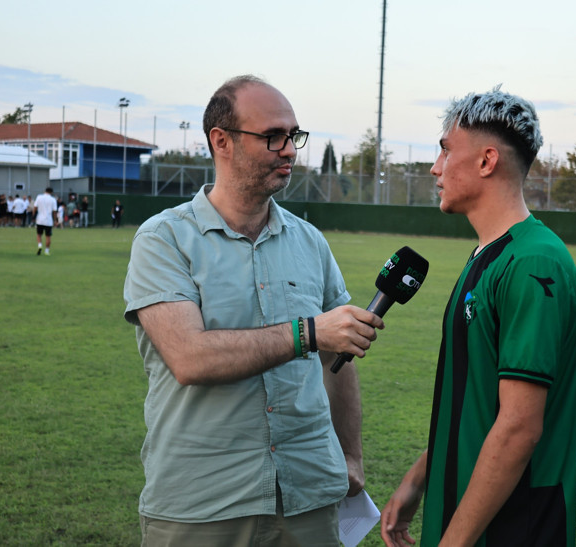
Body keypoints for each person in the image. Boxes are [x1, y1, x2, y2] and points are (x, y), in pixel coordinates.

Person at [123, 74, 384, 546]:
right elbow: (190, 358)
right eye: (272, 137)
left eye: (293, 136)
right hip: (204, 505)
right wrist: (308, 333)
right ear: (221, 141)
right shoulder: (163, 239)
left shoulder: (310, 241)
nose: (289, 149)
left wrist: (351, 456)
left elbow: (337, 359)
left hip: (309, 499)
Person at [380, 87, 576, 547]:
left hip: (512, 526)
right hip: (465, 507)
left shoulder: (534, 263)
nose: (435, 167)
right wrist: (419, 479)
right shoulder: (489, 255)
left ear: (486, 161)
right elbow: (476, 401)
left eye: (445, 149)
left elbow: (517, 428)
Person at [33, 187, 57, 255]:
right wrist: (55, 220)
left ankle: (40, 245)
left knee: (39, 234)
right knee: (48, 236)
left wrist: (33, 216)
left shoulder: (39, 197)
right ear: (51, 192)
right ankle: (46, 251)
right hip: (48, 221)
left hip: (40, 219)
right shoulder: (53, 199)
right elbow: (54, 211)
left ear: (45, 191)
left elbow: (35, 207)